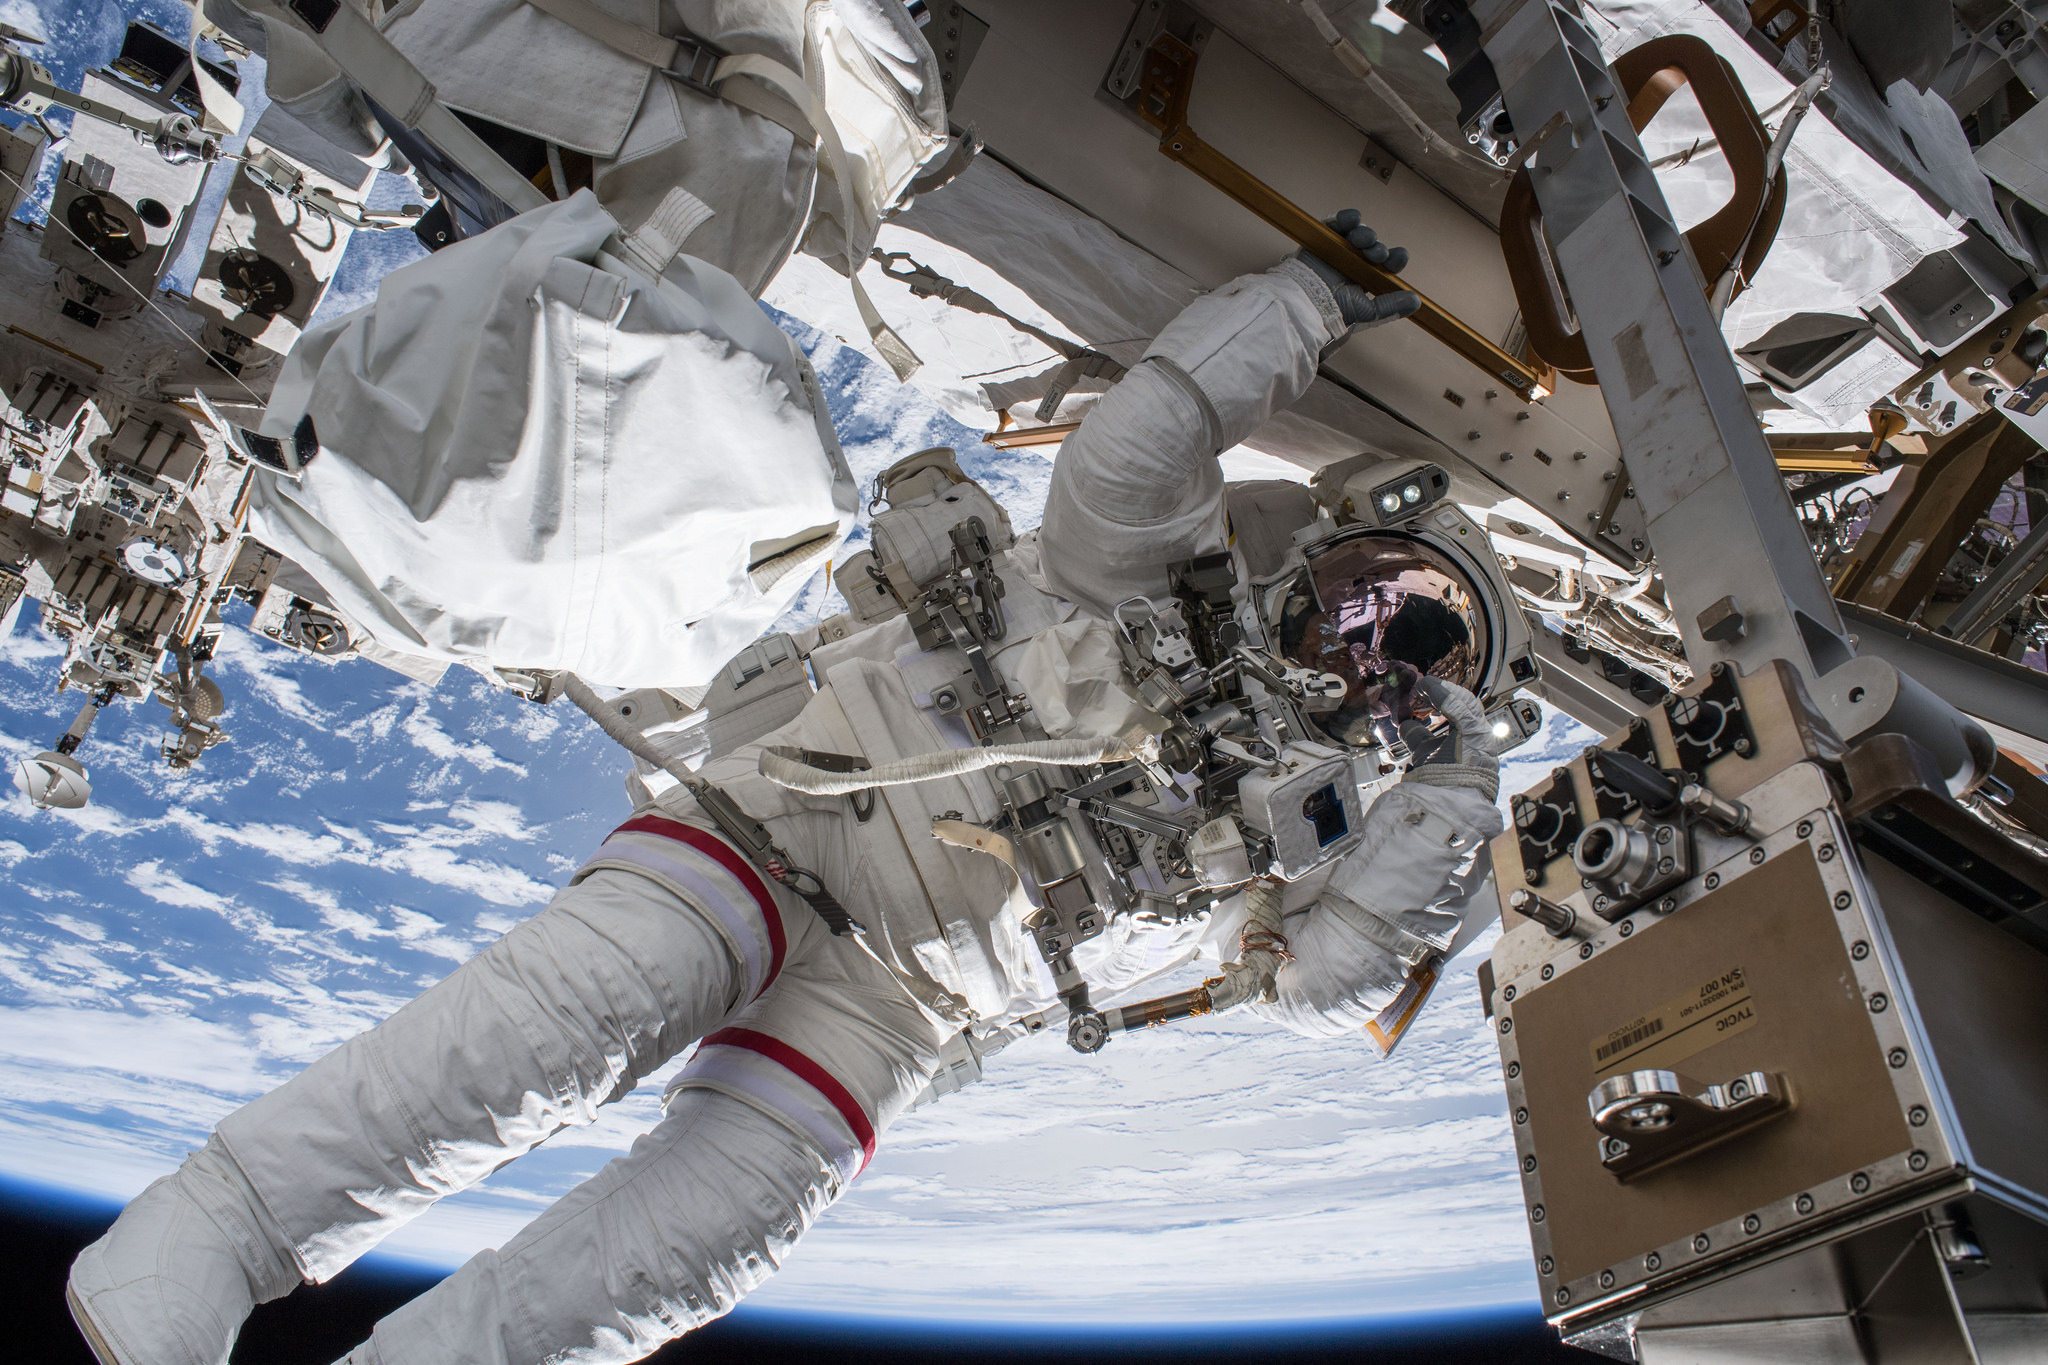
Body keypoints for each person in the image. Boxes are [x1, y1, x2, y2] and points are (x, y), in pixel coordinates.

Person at [67, 216, 1509, 1365]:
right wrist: (1308, 303)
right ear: (1334, 546)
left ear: (1425, 707)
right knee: (550, 1035)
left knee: (691, 1249)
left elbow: (1327, 981)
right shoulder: (1164, 561)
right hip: (797, 817)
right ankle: (209, 1235)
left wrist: (1456, 786)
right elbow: (1147, 434)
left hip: (912, 1002)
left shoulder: (1324, 833)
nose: (1382, 629)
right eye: (1392, 588)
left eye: (1429, 646)